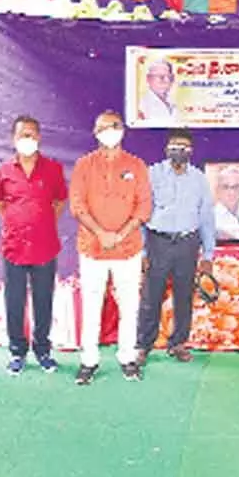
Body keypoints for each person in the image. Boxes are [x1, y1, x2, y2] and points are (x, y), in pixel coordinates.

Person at [69, 111, 151, 385]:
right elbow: (77, 205)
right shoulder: (83, 165)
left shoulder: (136, 166)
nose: (109, 132)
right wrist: (101, 233)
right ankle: (88, 360)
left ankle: (127, 357)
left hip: (128, 248)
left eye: (114, 126)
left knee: (130, 305)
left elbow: (144, 207)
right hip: (92, 247)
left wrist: (120, 234)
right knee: (91, 305)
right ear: (95, 133)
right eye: (103, 128)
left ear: (123, 130)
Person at [0, 115, 67, 376]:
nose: (28, 139)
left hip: (45, 246)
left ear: (40, 138)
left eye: (33, 134)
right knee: (14, 300)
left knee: (44, 299)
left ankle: (43, 350)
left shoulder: (53, 169)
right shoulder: (2, 172)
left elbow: (59, 202)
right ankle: (17, 351)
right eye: (23, 134)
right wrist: (18, 222)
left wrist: (41, 223)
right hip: (14, 246)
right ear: (13, 139)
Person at [136, 128, 216, 366]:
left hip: (187, 243)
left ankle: (178, 343)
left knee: (184, 296)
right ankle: (143, 345)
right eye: (174, 145)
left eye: (183, 146)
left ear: (191, 151)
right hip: (157, 242)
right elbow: (141, 213)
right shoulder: (152, 174)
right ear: (166, 148)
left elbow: (206, 217)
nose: (178, 151)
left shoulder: (199, 179)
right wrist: (142, 250)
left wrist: (208, 253)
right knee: (151, 296)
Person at [213, 165, 239, 240]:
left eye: (236, 187)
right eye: (225, 187)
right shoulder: (212, 218)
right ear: (218, 190)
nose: (231, 192)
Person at [138, 60, 177, 124]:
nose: (165, 80)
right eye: (160, 76)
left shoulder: (174, 101)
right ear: (148, 79)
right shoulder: (141, 106)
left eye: (168, 76)